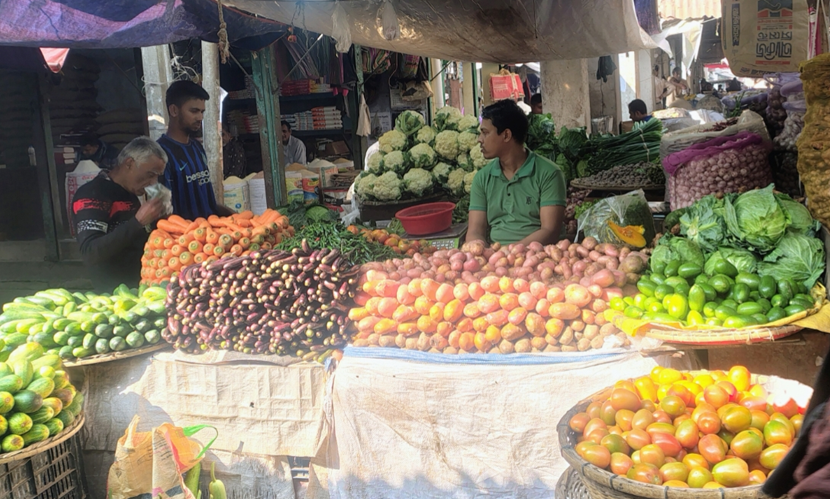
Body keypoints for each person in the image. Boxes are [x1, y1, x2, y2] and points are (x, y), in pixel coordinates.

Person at [72, 137, 167, 292]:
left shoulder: (129, 192)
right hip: (114, 296)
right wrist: (138, 222)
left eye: (157, 176)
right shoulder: (91, 194)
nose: (153, 182)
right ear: (129, 163)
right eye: (150, 174)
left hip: (141, 288)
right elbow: (90, 252)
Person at [467, 99, 566, 246]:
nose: (479, 140)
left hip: (539, 257)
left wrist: (511, 253)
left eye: (485, 133)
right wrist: (480, 251)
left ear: (506, 135)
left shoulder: (549, 174)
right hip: (496, 259)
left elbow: (549, 231)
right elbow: (475, 231)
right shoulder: (482, 178)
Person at [157, 80, 234, 220]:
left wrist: (237, 217)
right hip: (184, 239)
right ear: (174, 110)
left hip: (210, 235)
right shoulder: (159, 154)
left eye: (202, 112)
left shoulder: (197, 148)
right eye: (194, 111)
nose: (200, 118)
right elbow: (161, 213)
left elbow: (208, 203)